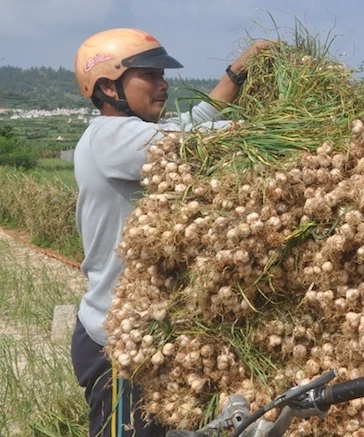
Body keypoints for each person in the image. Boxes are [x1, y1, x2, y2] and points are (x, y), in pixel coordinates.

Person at [71, 27, 273, 437]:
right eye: (151, 75)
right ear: (109, 86)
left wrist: (234, 77)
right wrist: (283, 123)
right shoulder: (112, 137)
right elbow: (195, 141)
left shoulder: (134, 135)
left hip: (151, 335)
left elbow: (188, 124)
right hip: (122, 346)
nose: (164, 84)